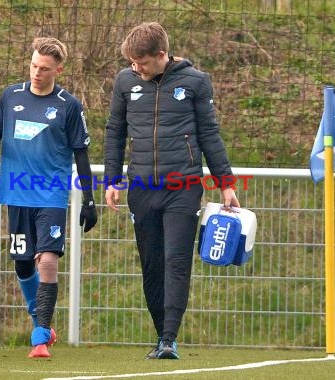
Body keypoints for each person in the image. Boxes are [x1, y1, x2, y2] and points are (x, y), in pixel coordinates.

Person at [103, 22, 240, 360]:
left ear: (161, 55)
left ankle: (169, 338)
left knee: (176, 261)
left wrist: (226, 184)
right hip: (141, 188)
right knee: (152, 265)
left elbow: (209, 133)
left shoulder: (195, 81)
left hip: (183, 188)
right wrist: (110, 180)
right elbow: (114, 133)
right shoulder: (125, 82)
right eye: (132, 63)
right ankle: (160, 332)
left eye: (143, 62)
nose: (137, 68)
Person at [0, 37, 98, 358]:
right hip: (16, 192)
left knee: (46, 261)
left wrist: (89, 199)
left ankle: (40, 337)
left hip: (51, 195)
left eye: (44, 69)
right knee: (22, 264)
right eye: (33, 65)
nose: (36, 73)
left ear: (58, 69)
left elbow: (81, 154)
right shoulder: (10, 96)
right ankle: (41, 320)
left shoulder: (68, 106)